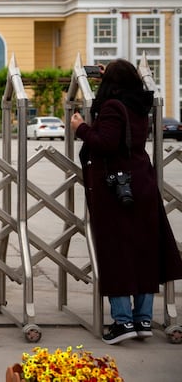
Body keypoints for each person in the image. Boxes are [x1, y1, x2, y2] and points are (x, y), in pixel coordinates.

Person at [70, 59, 182, 344]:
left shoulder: (111, 107)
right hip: (141, 184)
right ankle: (143, 319)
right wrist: (117, 73)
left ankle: (122, 323)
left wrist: (81, 127)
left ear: (112, 84)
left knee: (116, 253)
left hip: (115, 190)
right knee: (143, 252)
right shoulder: (138, 104)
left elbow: (106, 142)